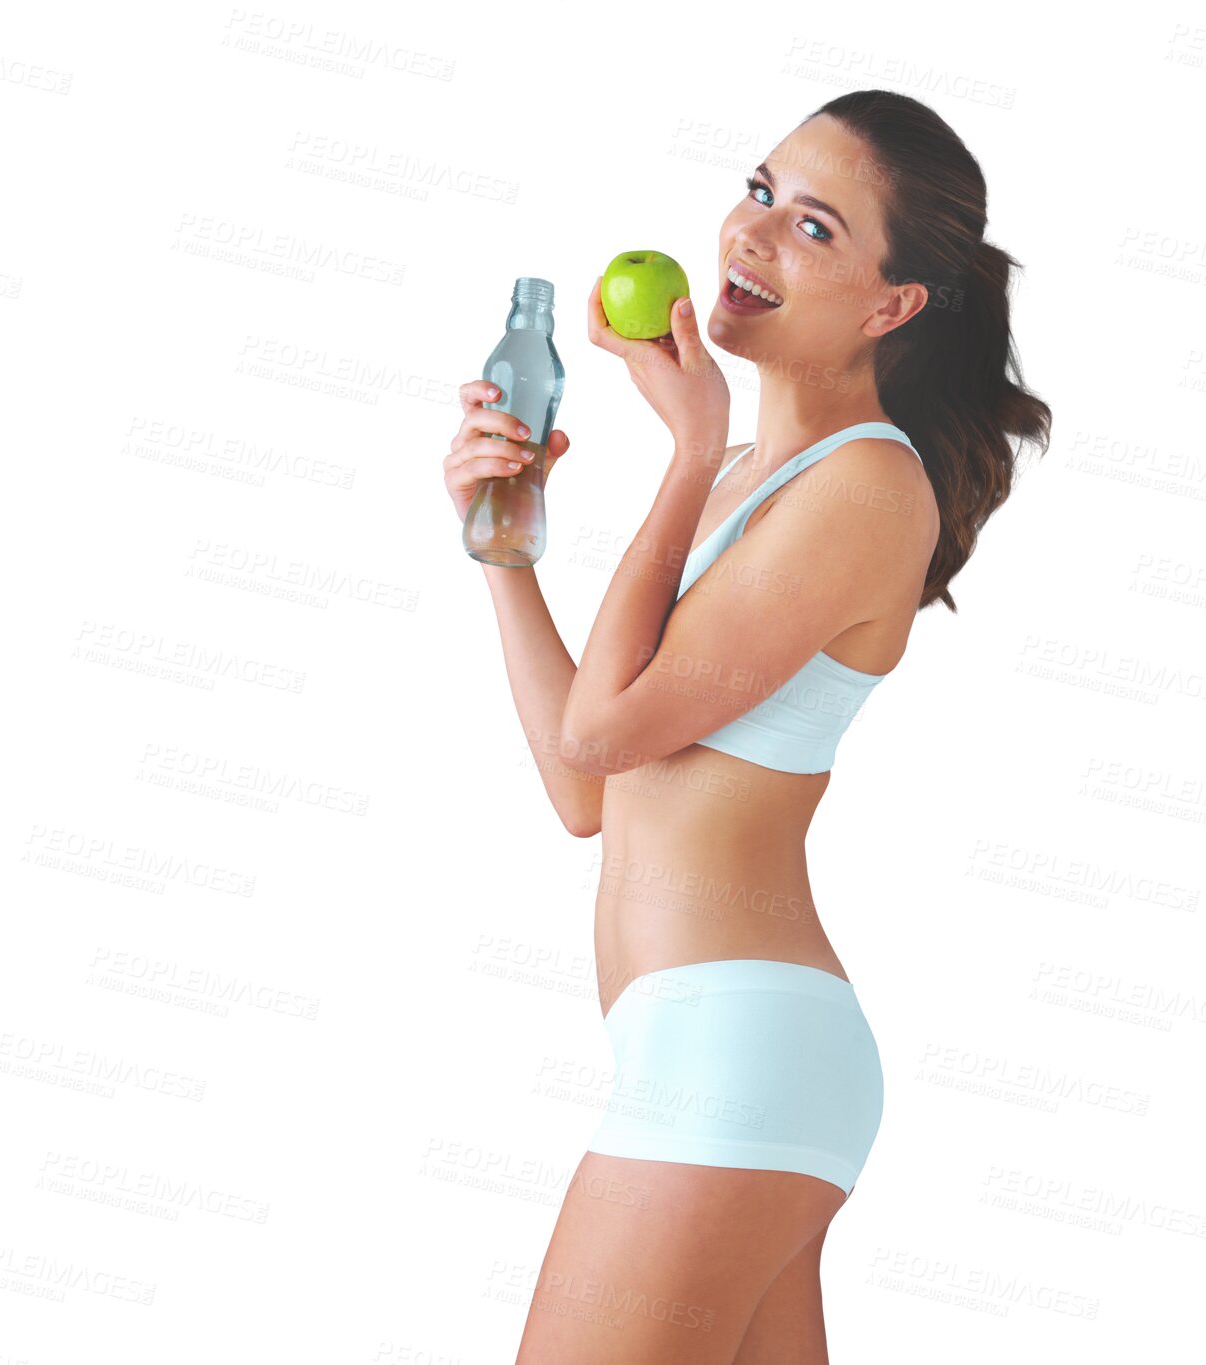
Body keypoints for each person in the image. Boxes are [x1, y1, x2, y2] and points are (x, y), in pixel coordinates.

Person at [443, 89, 1051, 1363]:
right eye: (762, 190)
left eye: (817, 228)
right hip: (713, 1051)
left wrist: (680, 451)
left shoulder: (866, 487)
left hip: (734, 1057)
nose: (754, 233)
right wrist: (505, 538)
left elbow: (604, 732)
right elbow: (585, 793)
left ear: (892, 309)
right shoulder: (748, 484)